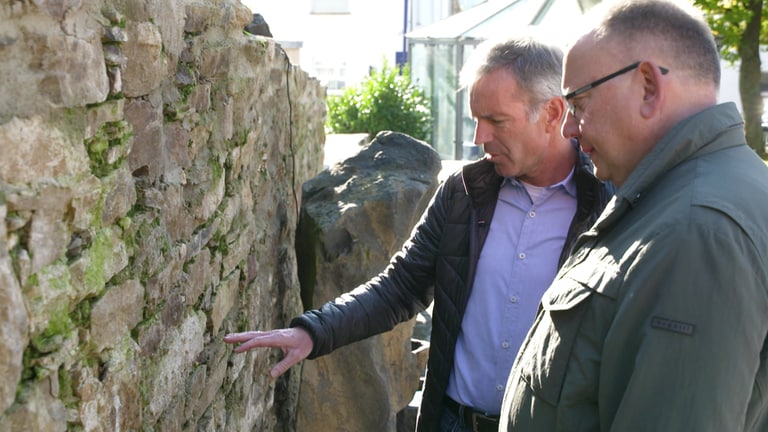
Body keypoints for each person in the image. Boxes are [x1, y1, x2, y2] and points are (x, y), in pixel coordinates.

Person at [224, 33, 614, 432]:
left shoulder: (611, 203)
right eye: (475, 120)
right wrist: (313, 331)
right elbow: (401, 285)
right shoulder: (464, 193)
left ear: (551, 113)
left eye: (496, 121)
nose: (480, 137)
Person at [499, 0, 768, 430]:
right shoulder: (682, 200)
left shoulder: (697, 231)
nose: (568, 127)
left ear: (647, 86)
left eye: (579, 102)